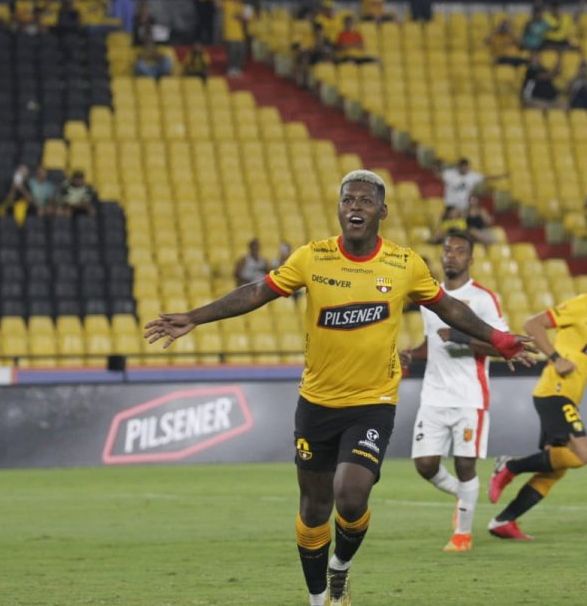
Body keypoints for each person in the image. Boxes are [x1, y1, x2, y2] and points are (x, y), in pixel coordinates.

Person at [144, 170, 532, 606]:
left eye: (365, 201)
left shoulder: (404, 265)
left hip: (373, 402)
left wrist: (498, 338)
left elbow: (449, 308)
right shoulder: (313, 258)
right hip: (316, 402)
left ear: (382, 211)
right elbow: (258, 291)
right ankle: (318, 599)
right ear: (339, 208)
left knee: (350, 497)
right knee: (313, 508)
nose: (355, 207)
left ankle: (341, 570)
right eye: (348, 200)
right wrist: (196, 316)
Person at [487, 263, 587, 540]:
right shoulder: (582, 305)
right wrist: (556, 358)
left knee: (557, 469)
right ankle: (509, 466)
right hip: (554, 391)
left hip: (570, 397)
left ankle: (503, 521)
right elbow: (532, 324)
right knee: (583, 455)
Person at [399, 231, 509, 552]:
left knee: (465, 466)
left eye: (460, 251)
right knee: (425, 465)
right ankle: (464, 497)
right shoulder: (429, 298)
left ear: (471, 259)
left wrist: (461, 337)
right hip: (433, 395)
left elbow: (503, 348)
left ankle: (462, 533)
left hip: (469, 396)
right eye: (447, 249)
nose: (451, 255)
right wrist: (412, 354)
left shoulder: (484, 299)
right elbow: (434, 343)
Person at [222, 0, 249, 77]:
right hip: (230, 34)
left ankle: (237, 68)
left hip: (240, 34)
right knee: (232, 52)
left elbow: (246, 19)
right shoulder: (228, 3)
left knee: (241, 52)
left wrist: (243, 18)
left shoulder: (242, 5)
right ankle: (231, 69)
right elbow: (216, 4)